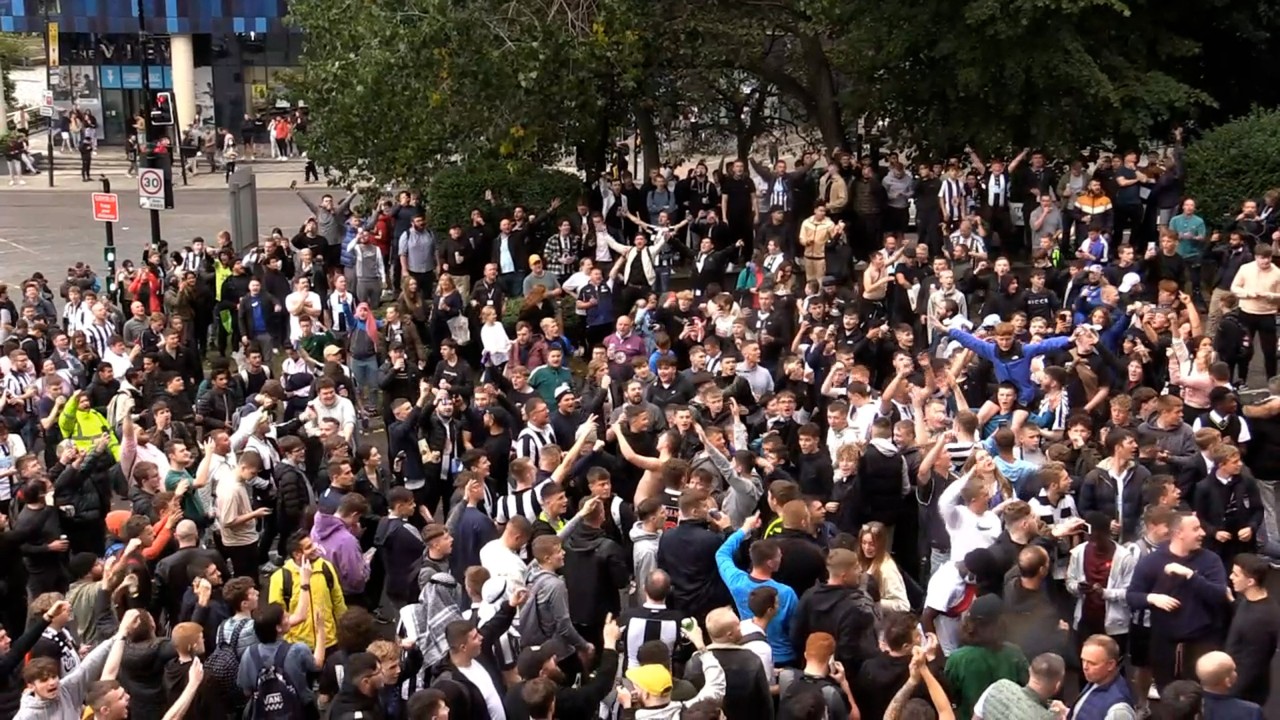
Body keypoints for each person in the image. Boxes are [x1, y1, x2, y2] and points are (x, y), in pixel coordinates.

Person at [1225, 553, 1280, 707]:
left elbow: (1251, 665)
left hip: (1244, 694)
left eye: (1236, 574)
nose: (1231, 577)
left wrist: (1228, 693)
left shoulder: (1261, 620)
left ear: (1250, 581)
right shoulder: (1251, 600)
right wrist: (1231, 601)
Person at [1195, 651, 1265, 720]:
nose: (1236, 672)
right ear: (1227, 682)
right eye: (1233, 670)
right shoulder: (1251, 712)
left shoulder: (1190, 707)